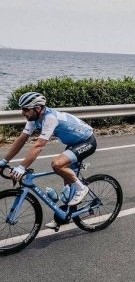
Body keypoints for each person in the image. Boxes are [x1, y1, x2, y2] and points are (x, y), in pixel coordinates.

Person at [0, 92, 97, 228]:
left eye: (26, 109)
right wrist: (4, 161)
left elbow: (39, 146)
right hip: (73, 143)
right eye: (22, 108)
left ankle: (82, 188)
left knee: (57, 164)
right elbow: (21, 140)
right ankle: (63, 216)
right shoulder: (33, 119)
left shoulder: (50, 118)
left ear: (38, 108)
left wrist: (21, 167)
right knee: (67, 187)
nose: (23, 112)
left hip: (87, 141)